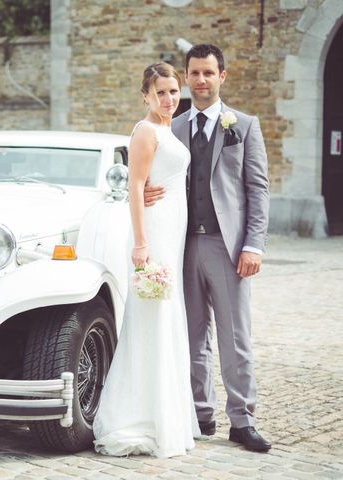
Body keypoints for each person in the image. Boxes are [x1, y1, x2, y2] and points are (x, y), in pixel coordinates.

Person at [144, 44, 271, 453]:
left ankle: (243, 420)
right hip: (181, 246)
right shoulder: (172, 128)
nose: (200, 80)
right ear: (185, 77)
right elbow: (149, 173)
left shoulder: (244, 125)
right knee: (191, 335)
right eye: (194, 73)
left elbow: (258, 189)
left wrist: (253, 244)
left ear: (222, 76)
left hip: (227, 246)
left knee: (236, 337)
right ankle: (200, 413)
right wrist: (145, 190)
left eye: (208, 73)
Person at [93, 63, 198, 458]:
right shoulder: (145, 131)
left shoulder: (169, 129)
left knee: (167, 321)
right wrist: (140, 243)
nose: (169, 99)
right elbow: (135, 186)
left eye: (174, 92)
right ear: (146, 95)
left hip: (171, 234)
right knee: (151, 321)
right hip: (151, 235)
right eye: (161, 93)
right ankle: (139, 417)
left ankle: (164, 414)